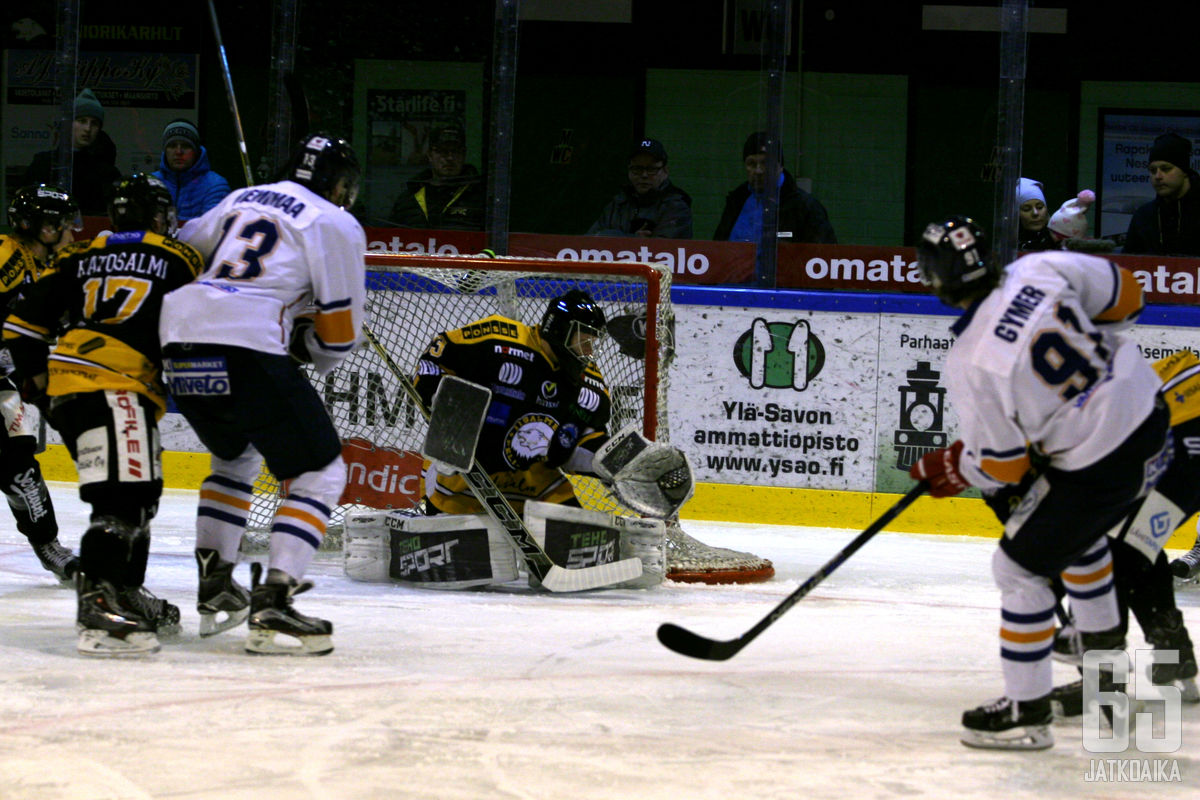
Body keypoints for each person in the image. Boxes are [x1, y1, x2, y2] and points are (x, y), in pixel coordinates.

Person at [910, 215, 1172, 750]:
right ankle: (1109, 689)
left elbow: (1005, 469)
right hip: (1149, 416)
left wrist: (961, 468)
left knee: (1016, 569)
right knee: (1080, 543)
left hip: (1099, 462)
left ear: (935, 281)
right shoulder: (1040, 267)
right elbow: (1128, 298)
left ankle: (1028, 715)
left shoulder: (971, 359)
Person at [159, 133, 366, 656]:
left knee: (234, 455)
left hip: (179, 339)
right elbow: (340, 334)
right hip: (244, 341)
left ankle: (215, 587)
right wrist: (308, 347)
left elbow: (181, 246)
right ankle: (274, 602)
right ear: (338, 184)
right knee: (320, 471)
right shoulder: (335, 221)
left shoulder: (238, 198)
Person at [3, 174, 202, 656]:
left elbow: (21, 324)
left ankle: (124, 591)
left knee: (142, 496)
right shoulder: (181, 257)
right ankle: (98, 606)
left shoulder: (80, 256)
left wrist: (37, 386)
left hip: (79, 386)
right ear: (159, 217)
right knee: (122, 500)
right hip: (115, 385)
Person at [413, 290, 613, 516]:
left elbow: (581, 438)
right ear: (559, 330)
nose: (588, 352)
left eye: (593, 344)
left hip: (534, 482)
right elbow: (435, 360)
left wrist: (616, 463)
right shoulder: (498, 339)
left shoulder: (587, 382)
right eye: (584, 341)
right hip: (461, 478)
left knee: (579, 539)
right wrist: (448, 423)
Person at [0, 184, 81, 583]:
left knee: (18, 466)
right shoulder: (6, 254)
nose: (71, 232)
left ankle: (48, 544)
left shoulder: (45, 267)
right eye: (62, 225)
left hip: (2, 382)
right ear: (39, 227)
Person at [713, 131, 836, 244]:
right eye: (751, 164)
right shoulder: (737, 201)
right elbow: (719, 248)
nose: (758, 170)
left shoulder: (804, 208)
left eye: (766, 163)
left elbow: (822, 258)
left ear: (780, 167)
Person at [22, 89, 121, 216]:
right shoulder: (45, 163)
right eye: (82, 121)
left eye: (94, 123)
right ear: (69, 124)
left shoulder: (107, 173)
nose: (88, 129)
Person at [587, 139, 693, 239]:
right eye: (637, 169)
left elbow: (664, 250)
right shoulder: (618, 204)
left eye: (651, 169)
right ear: (629, 171)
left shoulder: (676, 207)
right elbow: (590, 241)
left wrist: (615, 237)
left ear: (665, 171)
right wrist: (633, 239)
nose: (644, 175)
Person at [390, 124, 485, 230]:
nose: (450, 158)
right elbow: (389, 239)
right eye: (442, 151)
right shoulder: (409, 198)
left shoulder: (480, 198)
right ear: (430, 155)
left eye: (456, 151)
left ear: (464, 155)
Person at [1124, 132, 1200, 256]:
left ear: (1184, 171)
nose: (1158, 176)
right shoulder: (1144, 217)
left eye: (1166, 169)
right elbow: (1128, 264)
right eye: (1153, 171)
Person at [151, 119, 231, 223]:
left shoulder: (215, 185)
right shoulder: (151, 183)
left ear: (196, 151)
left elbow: (211, 230)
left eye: (186, 146)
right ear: (165, 150)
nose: (178, 152)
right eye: (172, 146)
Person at [1015, 177, 1055, 251]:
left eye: (1039, 207)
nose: (1035, 213)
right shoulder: (1009, 245)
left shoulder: (1058, 243)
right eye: (1026, 209)